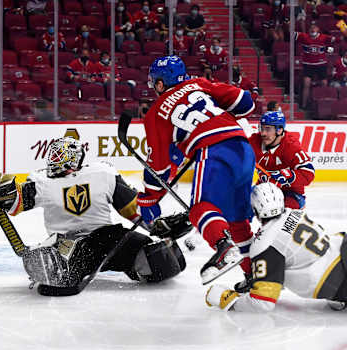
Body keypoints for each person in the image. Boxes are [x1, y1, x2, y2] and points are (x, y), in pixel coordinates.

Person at [0, 137, 187, 296]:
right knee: (56, 279)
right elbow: (16, 201)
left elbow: (132, 209)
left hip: (108, 240)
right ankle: (57, 267)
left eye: (59, 157)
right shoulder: (42, 181)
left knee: (162, 260)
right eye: (53, 156)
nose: (54, 160)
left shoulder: (103, 174)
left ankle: (64, 267)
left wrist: (157, 227)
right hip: (69, 243)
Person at [137, 55, 256, 286]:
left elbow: (158, 166)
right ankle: (255, 273)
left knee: (201, 207)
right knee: (237, 220)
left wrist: (149, 200)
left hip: (214, 150)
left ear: (160, 83)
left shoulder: (155, 114)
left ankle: (224, 246)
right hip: (243, 147)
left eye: (155, 83)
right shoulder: (200, 84)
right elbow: (245, 102)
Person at [205, 182, 347, 312]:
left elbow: (262, 303)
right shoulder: (294, 212)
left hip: (336, 283)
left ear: (254, 209)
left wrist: (227, 300)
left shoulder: (264, 245)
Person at [248, 110, 315, 210]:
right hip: (264, 190)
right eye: (262, 128)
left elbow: (309, 173)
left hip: (291, 194)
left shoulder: (291, 146)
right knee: (240, 203)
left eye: (268, 129)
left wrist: (287, 176)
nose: (263, 133)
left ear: (279, 130)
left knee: (279, 211)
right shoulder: (254, 142)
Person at [294, 24, 335, 109]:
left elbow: (337, 40)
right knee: (306, 83)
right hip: (308, 65)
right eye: (311, 27)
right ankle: (304, 105)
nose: (313, 29)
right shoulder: (304, 36)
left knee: (324, 83)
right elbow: (291, 34)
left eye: (315, 27)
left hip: (321, 65)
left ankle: (324, 104)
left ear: (318, 29)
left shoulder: (324, 37)